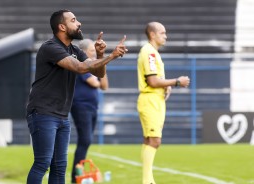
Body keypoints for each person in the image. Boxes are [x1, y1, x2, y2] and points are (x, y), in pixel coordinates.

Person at [25, 9, 127, 184]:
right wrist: (111, 56)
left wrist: (102, 55)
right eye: (74, 20)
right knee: (43, 163)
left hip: (62, 116)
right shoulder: (50, 47)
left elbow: (99, 73)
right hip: (43, 112)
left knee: (59, 166)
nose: (79, 23)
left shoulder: (75, 50)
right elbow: (80, 68)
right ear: (62, 27)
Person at [137, 22, 190, 184]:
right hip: (150, 100)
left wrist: (166, 86)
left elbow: (156, 79)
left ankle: (149, 180)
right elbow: (152, 81)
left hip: (155, 99)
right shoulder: (149, 53)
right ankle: (147, 181)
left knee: (150, 140)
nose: (165, 36)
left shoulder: (152, 52)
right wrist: (177, 82)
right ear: (152, 34)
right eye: (162, 33)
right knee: (154, 140)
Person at [70, 39, 109, 183]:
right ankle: (75, 176)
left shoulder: (93, 66)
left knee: (86, 141)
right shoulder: (82, 65)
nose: (94, 54)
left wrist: (101, 65)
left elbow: (104, 86)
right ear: (84, 52)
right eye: (92, 51)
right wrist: (99, 65)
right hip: (81, 106)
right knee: (85, 140)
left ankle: (78, 173)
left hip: (92, 107)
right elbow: (95, 83)